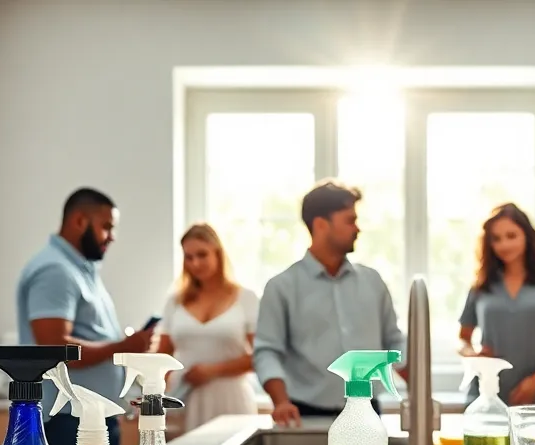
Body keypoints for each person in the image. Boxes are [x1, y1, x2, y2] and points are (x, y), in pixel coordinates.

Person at [17, 187, 153, 445]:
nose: (111, 236)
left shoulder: (78, 269)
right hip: (67, 423)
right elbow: (55, 348)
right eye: (106, 227)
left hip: (88, 420)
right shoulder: (55, 271)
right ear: (80, 221)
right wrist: (122, 347)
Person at [254, 180, 407, 427]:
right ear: (320, 224)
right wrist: (280, 401)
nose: (357, 229)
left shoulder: (373, 282)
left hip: (368, 414)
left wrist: (420, 391)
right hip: (304, 415)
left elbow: (394, 341)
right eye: (349, 220)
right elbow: (267, 351)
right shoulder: (281, 287)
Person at [458, 203, 535, 405]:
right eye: (496, 239)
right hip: (485, 396)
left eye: (511, 236)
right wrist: (473, 354)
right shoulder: (482, 285)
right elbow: (463, 338)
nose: (504, 245)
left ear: (527, 236)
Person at [154, 223, 260, 431]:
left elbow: (261, 357)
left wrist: (212, 371)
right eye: (189, 257)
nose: (195, 263)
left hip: (232, 401)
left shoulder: (246, 298)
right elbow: (162, 355)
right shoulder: (175, 301)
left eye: (202, 255)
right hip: (185, 400)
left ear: (218, 253)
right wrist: (155, 396)